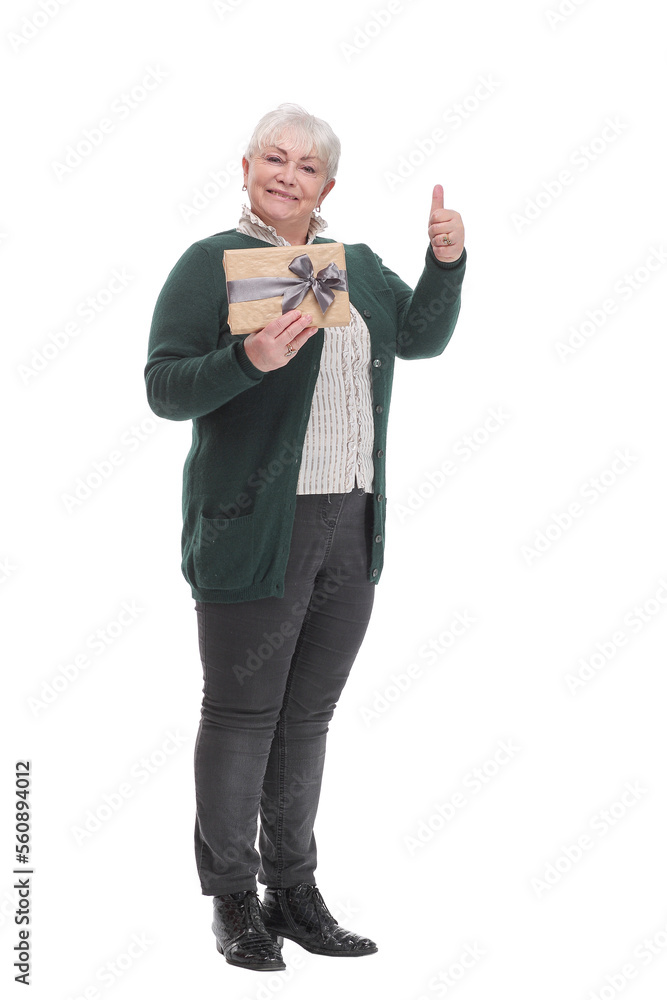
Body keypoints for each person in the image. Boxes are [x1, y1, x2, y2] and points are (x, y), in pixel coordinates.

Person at [145, 103, 466, 973]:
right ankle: (233, 901)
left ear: (328, 185)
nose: (287, 176)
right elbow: (165, 388)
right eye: (273, 159)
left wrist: (445, 262)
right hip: (255, 528)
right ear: (246, 166)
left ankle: (294, 890)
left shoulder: (350, 267)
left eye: (306, 166)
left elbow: (423, 337)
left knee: (307, 718)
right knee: (242, 716)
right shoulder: (212, 263)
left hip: (349, 524)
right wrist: (247, 362)